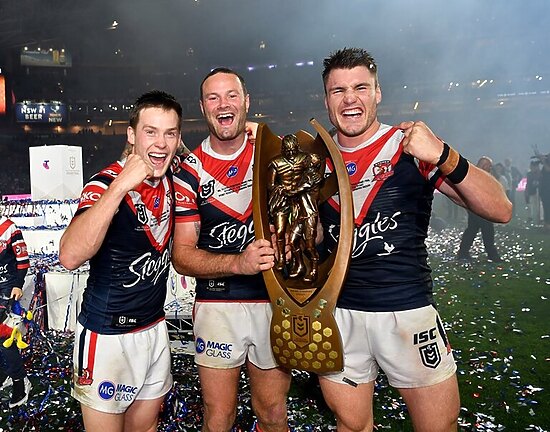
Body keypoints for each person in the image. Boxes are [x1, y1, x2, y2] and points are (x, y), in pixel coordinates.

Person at [317, 48, 512, 432]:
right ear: (326, 100)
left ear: (378, 93)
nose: (349, 98)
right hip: (339, 316)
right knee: (351, 425)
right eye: (337, 90)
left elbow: (500, 208)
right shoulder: (314, 160)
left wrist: (442, 153)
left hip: (406, 313)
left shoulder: (409, 146)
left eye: (360, 87)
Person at [172, 68, 291, 432]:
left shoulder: (274, 154)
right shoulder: (188, 170)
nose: (224, 104)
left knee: (271, 413)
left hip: (272, 301)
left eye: (232, 95)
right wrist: (240, 263)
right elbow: (182, 256)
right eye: (214, 97)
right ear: (203, 108)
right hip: (217, 304)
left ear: (247, 102)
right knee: (219, 416)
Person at [58, 90, 182, 432]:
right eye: (150, 131)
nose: (160, 143)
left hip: (154, 328)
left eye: (169, 133)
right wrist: (120, 186)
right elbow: (69, 256)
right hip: (108, 335)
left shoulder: (175, 176)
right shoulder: (102, 183)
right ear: (131, 135)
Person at [267, 134, 324, 282]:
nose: (291, 154)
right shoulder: (276, 163)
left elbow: (298, 189)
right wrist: (279, 190)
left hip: (306, 211)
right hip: (290, 206)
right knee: (288, 238)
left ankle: (312, 268)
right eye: (288, 150)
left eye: (293, 150)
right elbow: (270, 185)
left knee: (309, 245)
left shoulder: (312, 177)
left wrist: (289, 191)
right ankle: (294, 264)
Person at [0, 214, 32, 408]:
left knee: (4, 337)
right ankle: (7, 375)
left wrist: (18, 284)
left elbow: (22, 258)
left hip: (7, 287)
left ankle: (21, 381)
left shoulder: (9, 227)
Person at [456, 157, 503, 262]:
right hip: (478, 207)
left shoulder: (481, 175)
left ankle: (463, 253)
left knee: (472, 229)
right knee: (487, 229)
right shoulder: (475, 175)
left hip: (478, 206)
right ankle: (492, 254)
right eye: (486, 165)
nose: (489, 167)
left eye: (489, 166)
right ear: (481, 164)